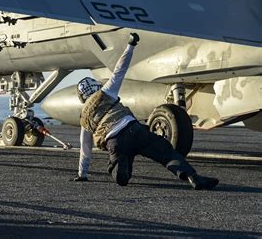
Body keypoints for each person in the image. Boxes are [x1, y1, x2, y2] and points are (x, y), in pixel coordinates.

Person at [72, 32, 219, 190]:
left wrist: (83, 174)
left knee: (120, 175)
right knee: (166, 153)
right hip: (135, 130)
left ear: (82, 97)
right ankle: (193, 177)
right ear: (96, 88)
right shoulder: (106, 92)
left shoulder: (85, 118)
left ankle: (120, 170)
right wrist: (130, 46)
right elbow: (120, 70)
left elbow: (85, 147)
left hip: (115, 142)